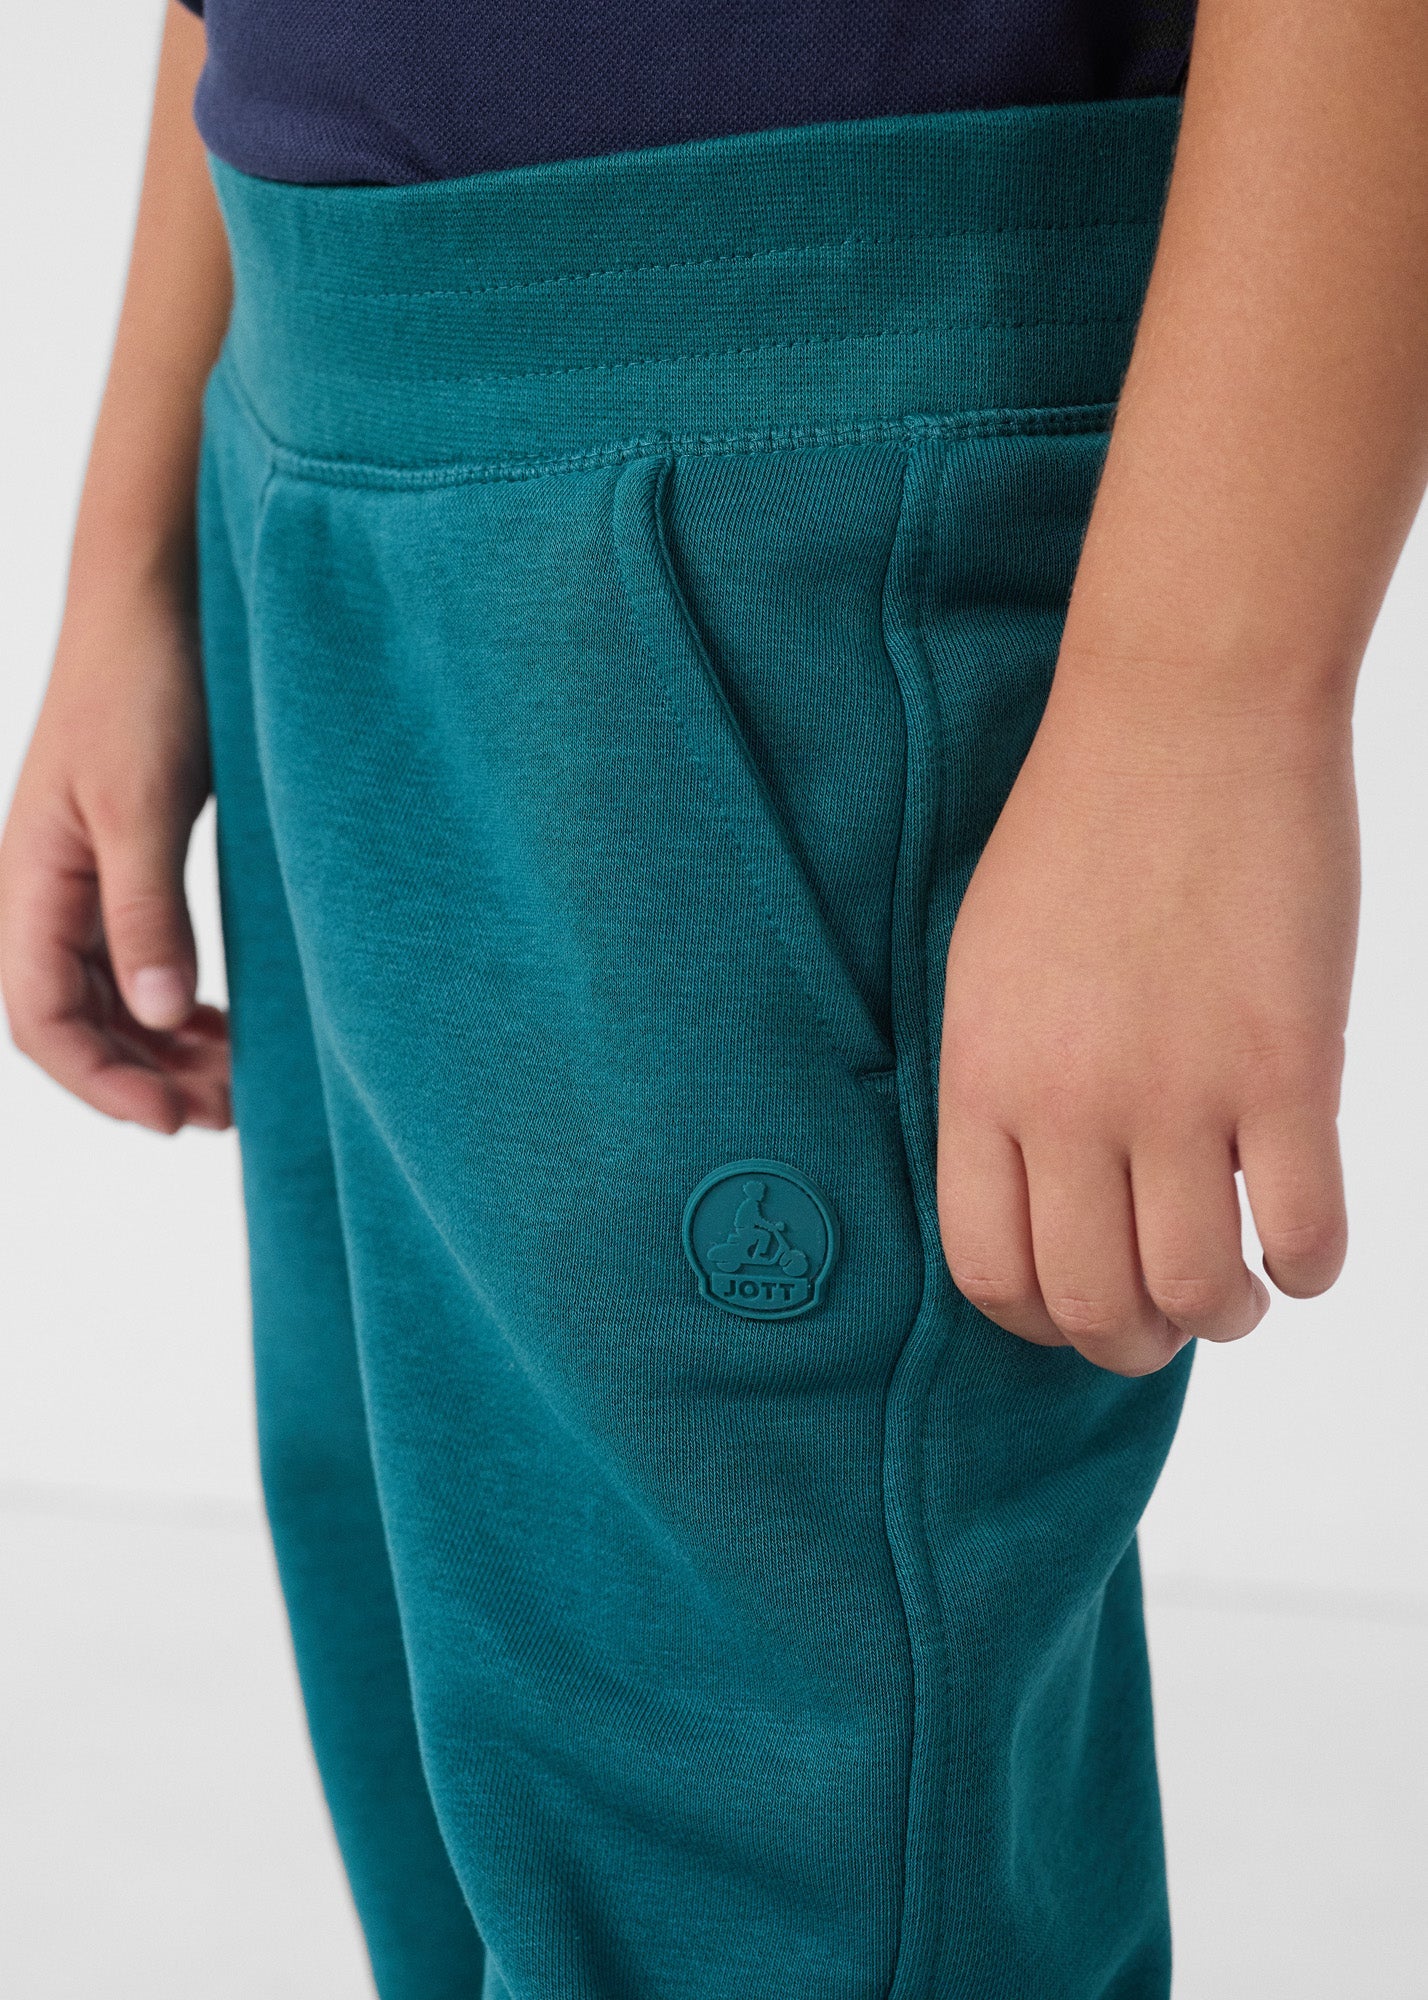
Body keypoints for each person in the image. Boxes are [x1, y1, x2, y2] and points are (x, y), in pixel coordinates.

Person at [1, 2, 1424, 1994]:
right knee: (474, 1813)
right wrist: (131, 540)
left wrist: (1209, 696)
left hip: (779, 453)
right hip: (313, 395)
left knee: (771, 1885)